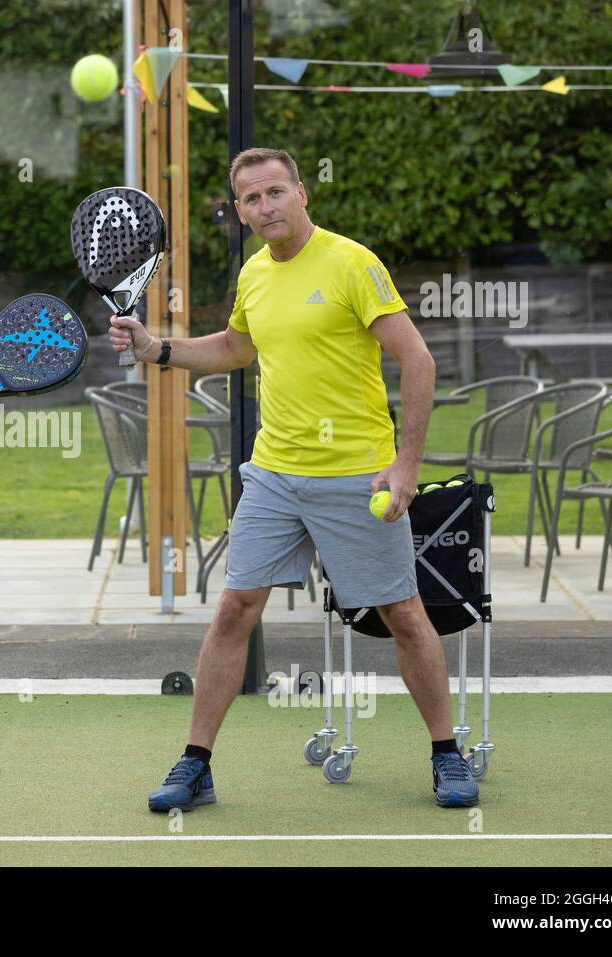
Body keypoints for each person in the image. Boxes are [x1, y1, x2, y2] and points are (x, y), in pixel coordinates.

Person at [109, 148, 479, 810]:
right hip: (275, 474)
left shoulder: (351, 263)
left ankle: (447, 752)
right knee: (234, 608)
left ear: (302, 193)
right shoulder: (254, 273)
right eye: (250, 199)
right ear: (242, 213)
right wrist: (156, 347)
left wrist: (406, 464)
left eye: (275, 192)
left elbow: (417, 359)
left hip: (355, 477)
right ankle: (197, 764)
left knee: (402, 612)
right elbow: (235, 346)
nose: (264, 206)